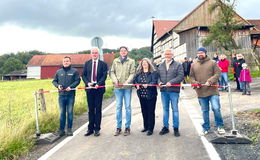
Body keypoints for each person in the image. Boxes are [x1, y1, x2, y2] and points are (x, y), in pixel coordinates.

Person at [190, 47, 225, 135]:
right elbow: (191, 77)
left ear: (205, 53)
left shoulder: (213, 62)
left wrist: (210, 81)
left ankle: (220, 126)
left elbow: (218, 73)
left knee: (216, 108)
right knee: (204, 111)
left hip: (213, 91)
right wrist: (195, 83)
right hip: (201, 92)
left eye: (202, 52)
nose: (200, 54)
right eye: (198, 53)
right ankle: (206, 127)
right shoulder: (193, 64)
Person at [157, 49, 184, 137]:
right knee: (165, 110)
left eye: (169, 54)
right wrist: (159, 82)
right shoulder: (160, 65)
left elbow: (180, 76)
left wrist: (171, 82)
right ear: (164, 55)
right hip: (164, 91)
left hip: (174, 91)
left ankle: (176, 128)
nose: (168, 55)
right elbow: (158, 77)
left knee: (175, 110)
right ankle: (165, 127)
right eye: (166, 54)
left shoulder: (178, 65)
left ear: (172, 55)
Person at [110, 46, 135, 136]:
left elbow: (132, 73)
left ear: (127, 52)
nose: (123, 52)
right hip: (118, 88)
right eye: (121, 51)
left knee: (128, 107)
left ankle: (127, 127)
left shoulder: (131, 61)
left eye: (125, 51)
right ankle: (118, 127)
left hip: (127, 88)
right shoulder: (115, 61)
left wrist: (127, 82)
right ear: (120, 52)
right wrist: (115, 80)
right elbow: (112, 72)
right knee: (118, 107)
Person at [82, 47, 108, 137]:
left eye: (96, 53)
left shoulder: (103, 64)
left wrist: (99, 83)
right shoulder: (87, 63)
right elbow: (84, 75)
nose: (94, 54)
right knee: (91, 109)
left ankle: (97, 129)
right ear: (91, 54)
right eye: (93, 53)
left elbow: (104, 76)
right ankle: (90, 129)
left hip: (98, 89)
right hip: (89, 89)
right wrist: (87, 83)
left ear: (98, 54)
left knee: (98, 109)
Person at [52, 56, 81, 136]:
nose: (66, 62)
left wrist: (71, 87)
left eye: (67, 61)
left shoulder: (74, 71)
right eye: (64, 61)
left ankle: (69, 129)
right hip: (61, 96)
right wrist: (58, 86)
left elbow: (78, 80)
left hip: (70, 95)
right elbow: (54, 81)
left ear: (70, 62)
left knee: (70, 112)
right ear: (63, 62)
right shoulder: (58, 72)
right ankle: (61, 130)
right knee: (62, 113)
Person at [133, 58, 158, 136]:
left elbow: (154, 81)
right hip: (141, 95)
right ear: (141, 64)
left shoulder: (153, 73)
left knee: (150, 112)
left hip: (151, 95)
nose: (144, 64)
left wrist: (149, 84)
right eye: (143, 63)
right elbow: (134, 80)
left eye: (145, 63)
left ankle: (150, 128)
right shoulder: (139, 73)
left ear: (148, 64)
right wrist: (136, 84)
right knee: (144, 112)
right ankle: (146, 126)